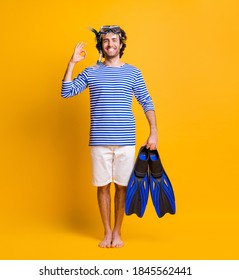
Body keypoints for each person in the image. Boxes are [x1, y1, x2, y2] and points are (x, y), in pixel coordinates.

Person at [61, 25, 158, 248]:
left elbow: (146, 101)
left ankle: (117, 232)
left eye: (114, 40)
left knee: (122, 186)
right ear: (101, 45)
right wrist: (72, 63)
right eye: (106, 41)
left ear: (121, 44)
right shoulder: (91, 72)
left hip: (125, 140)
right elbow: (67, 92)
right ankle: (106, 232)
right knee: (103, 186)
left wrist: (153, 132)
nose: (110, 44)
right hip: (99, 141)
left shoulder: (133, 72)